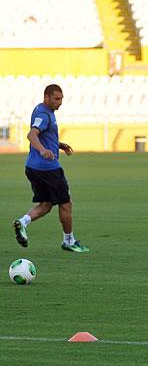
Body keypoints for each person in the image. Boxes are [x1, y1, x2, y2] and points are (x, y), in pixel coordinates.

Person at [13, 84, 90, 253]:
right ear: (46, 97)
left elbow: (43, 134)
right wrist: (43, 150)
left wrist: (58, 145)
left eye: (61, 99)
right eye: (56, 98)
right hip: (48, 169)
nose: (60, 102)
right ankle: (68, 241)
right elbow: (32, 134)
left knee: (46, 204)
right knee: (66, 203)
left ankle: (22, 222)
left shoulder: (41, 110)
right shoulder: (44, 114)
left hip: (32, 167)